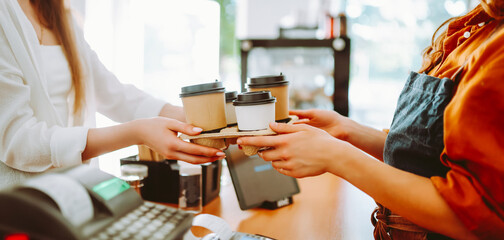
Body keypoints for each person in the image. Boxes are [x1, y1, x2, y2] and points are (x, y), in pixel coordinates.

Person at [238, 1, 504, 239]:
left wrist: (336, 156)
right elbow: (432, 157)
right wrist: (346, 130)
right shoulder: (480, 26)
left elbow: (482, 216)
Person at [0, 0, 225, 189]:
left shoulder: (61, 15)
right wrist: (137, 132)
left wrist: (189, 116)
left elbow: (115, 95)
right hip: (19, 204)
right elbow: (19, 140)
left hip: (70, 193)